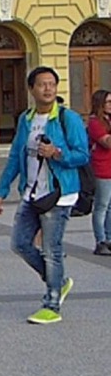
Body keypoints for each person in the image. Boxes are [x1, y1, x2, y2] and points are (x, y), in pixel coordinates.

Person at [0, 66, 90, 323]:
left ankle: (52, 304)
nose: (48, 89)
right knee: (20, 243)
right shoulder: (27, 119)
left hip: (59, 194)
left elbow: (82, 155)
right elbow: (16, 156)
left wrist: (57, 153)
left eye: (52, 84)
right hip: (32, 192)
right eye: (42, 84)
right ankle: (58, 280)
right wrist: (1, 190)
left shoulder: (69, 119)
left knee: (51, 249)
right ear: (32, 89)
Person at [86, 89, 111, 255]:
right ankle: (100, 240)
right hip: (102, 169)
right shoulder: (95, 122)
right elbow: (107, 142)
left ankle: (109, 238)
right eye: (109, 102)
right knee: (101, 205)